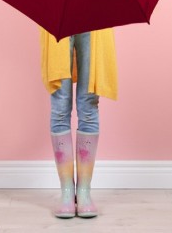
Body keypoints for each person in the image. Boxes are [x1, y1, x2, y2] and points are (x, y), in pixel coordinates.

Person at [39, 26, 118, 218]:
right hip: (57, 18)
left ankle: (84, 191)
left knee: (89, 104)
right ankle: (66, 191)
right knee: (59, 105)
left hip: (95, 18)